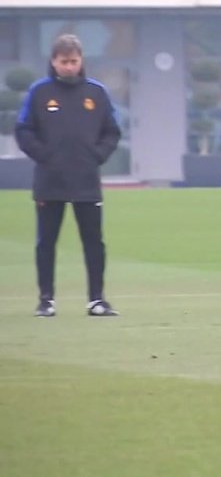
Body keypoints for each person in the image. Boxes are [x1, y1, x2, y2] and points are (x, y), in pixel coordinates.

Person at [15, 33, 121, 317]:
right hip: (50, 181)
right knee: (46, 242)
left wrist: (96, 156)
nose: (69, 67)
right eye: (64, 62)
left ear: (81, 60)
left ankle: (96, 300)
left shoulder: (95, 92)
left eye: (74, 61)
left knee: (94, 242)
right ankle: (46, 300)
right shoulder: (39, 92)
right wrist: (45, 156)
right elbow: (23, 130)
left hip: (86, 181)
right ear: (54, 61)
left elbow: (112, 131)